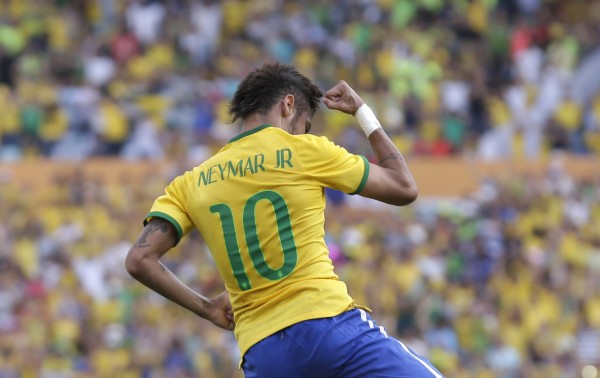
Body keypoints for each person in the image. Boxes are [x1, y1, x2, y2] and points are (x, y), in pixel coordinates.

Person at [125, 62, 445, 377]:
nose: (303, 132)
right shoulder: (303, 150)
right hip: (328, 327)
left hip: (262, 355)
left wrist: (208, 308)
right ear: (288, 105)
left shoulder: (191, 182)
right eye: (304, 124)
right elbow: (404, 188)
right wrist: (362, 111)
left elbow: (139, 260)